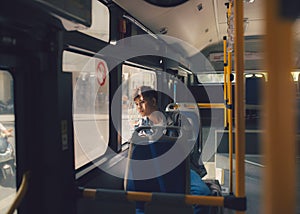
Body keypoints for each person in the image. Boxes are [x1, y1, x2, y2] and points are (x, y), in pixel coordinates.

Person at [131, 86, 211, 214]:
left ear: (153, 101)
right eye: (136, 104)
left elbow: (188, 145)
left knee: (203, 195)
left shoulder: (177, 119)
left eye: (142, 102)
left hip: (181, 166)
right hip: (153, 169)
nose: (139, 107)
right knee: (137, 199)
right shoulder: (140, 128)